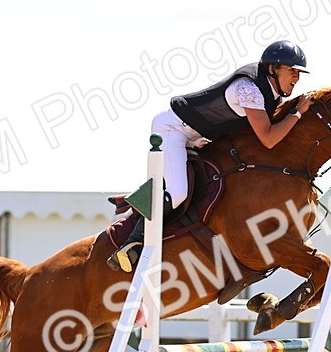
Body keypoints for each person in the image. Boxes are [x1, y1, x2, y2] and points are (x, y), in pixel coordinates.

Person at [108, 40, 314, 272]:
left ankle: (137, 200)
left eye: (298, 73)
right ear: (271, 69)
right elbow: (268, 138)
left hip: (198, 135)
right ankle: (132, 243)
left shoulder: (272, 91)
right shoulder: (249, 90)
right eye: (291, 71)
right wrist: (297, 113)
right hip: (173, 130)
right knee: (178, 193)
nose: (296, 77)